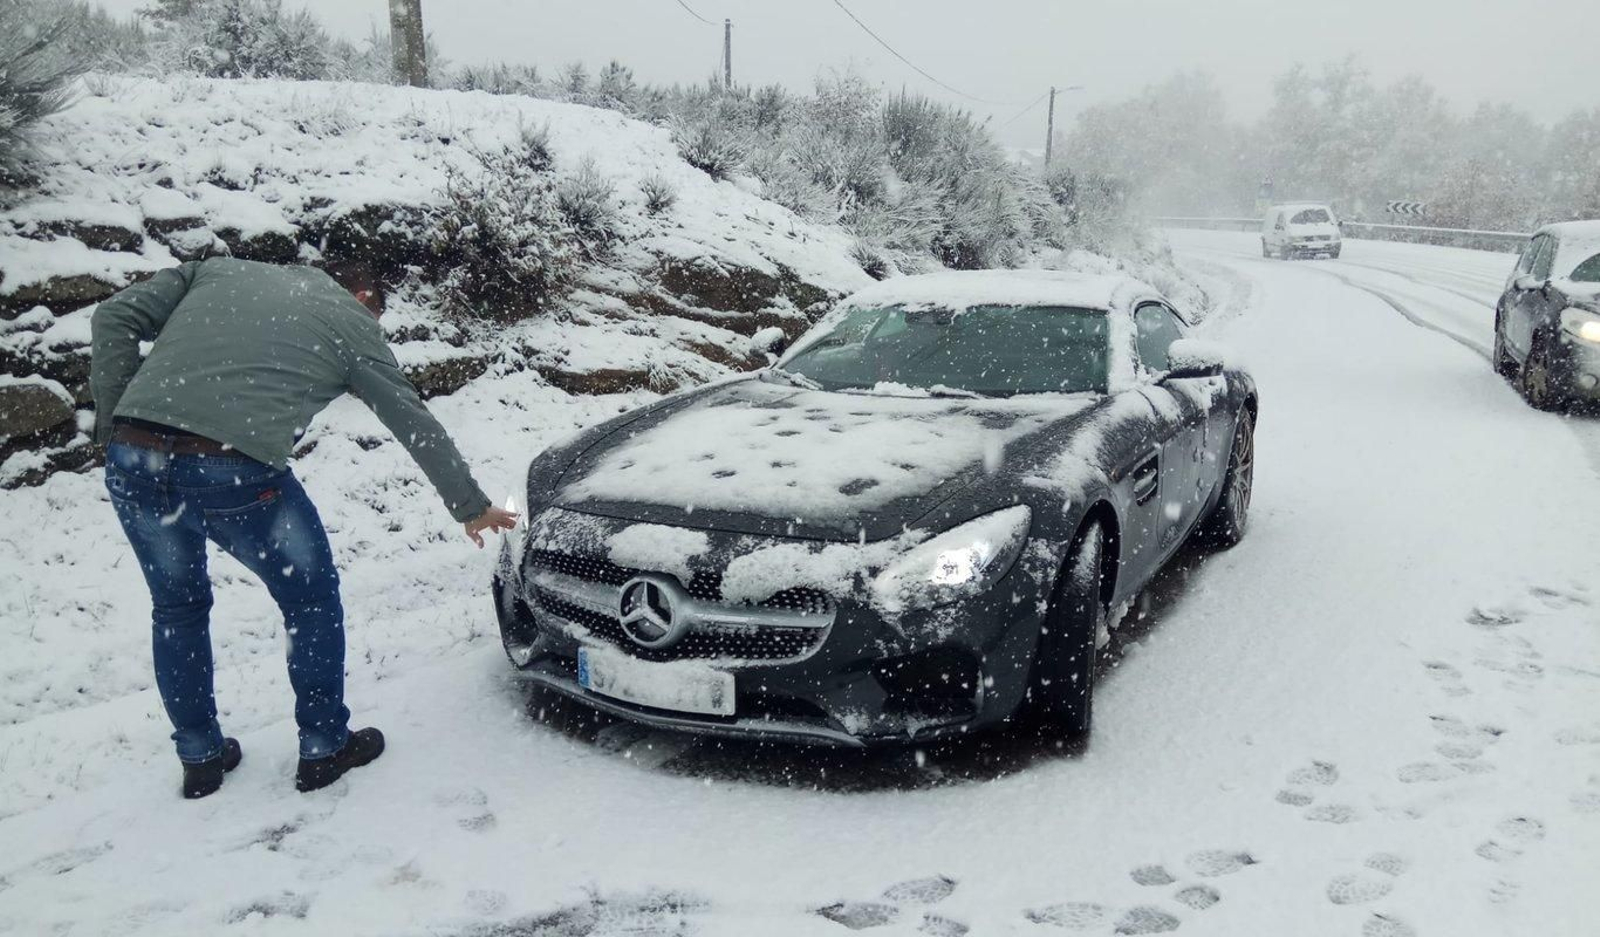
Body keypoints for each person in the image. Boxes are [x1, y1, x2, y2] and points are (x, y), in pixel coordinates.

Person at [90, 257, 517, 799]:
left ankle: (200, 756)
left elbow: (112, 317)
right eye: (377, 316)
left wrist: (118, 423)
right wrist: (470, 505)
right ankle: (324, 746)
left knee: (177, 608)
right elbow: (411, 418)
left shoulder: (214, 271)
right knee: (310, 600)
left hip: (135, 457)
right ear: (364, 296)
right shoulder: (350, 319)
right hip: (233, 467)